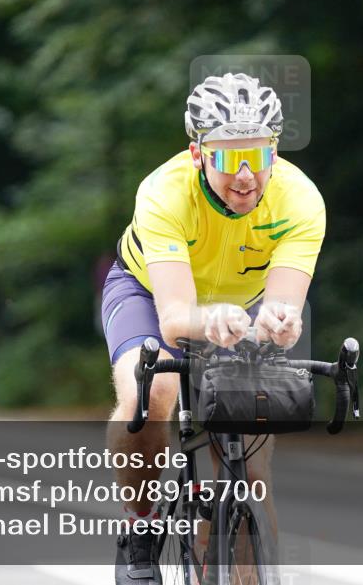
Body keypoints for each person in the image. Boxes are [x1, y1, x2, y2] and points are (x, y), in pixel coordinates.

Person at [104, 73, 326, 583]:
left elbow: (283, 308)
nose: (245, 175)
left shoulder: (300, 200)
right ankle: (140, 526)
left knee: (250, 472)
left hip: (239, 307)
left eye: (259, 156)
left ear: (275, 152)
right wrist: (210, 320)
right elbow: (176, 319)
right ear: (198, 153)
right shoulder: (164, 192)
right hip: (147, 293)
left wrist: (280, 322)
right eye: (228, 158)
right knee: (150, 395)